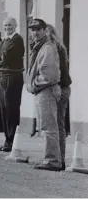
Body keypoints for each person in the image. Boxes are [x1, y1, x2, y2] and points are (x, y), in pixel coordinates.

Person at [25, 19, 62, 171]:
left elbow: (49, 76)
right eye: (32, 30)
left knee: (49, 127)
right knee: (48, 126)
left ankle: (52, 161)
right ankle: (52, 159)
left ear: (45, 30)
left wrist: (32, 84)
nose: (34, 33)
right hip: (43, 91)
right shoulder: (41, 47)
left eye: (38, 29)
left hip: (46, 91)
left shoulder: (47, 48)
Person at [45, 23, 72, 170]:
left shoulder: (52, 49)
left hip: (58, 88)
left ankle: (55, 159)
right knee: (59, 125)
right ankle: (60, 159)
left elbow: (55, 72)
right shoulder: (61, 47)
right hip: (65, 88)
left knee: (54, 126)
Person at [0, 17, 25, 152]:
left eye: (10, 25)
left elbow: (6, 57)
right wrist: (0, 59)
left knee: (11, 109)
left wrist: (1, 59)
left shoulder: (17, 40)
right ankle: (7, 139)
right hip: (3, 76)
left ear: (16, 25)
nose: (7, 28)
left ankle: (12, 140)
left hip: (12, 77)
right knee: (4, 109)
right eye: (5, 25)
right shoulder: (5, 41)